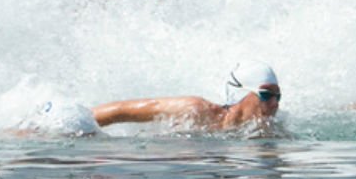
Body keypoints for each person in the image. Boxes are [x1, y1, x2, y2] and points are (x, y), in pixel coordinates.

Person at [91, 61, 283, 133]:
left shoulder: (269, 131)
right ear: (242, 93)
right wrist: (83, 122)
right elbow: (122, 111)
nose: (275, 104)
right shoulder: (195, 111)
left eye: (278, 96)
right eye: (266, 95)